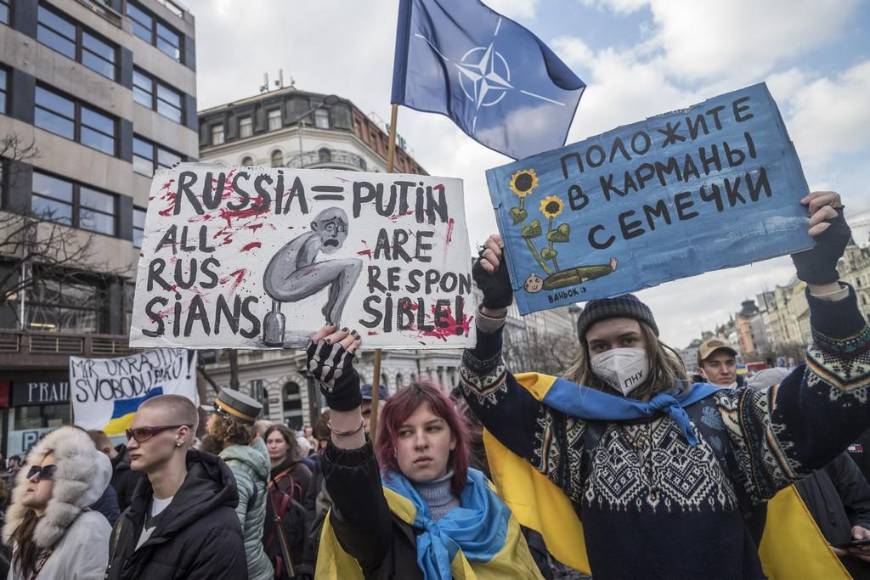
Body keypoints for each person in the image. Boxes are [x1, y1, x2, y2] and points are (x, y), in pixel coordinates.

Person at [462, 191, 870, 578]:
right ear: (586, 355)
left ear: (652, 344)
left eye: (627, 340)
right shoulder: (572, 433)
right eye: (600, 346)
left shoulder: (728, 416)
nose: (615, 354)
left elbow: (842, 393)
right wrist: (492, 311)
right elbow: (485, 388)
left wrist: (824, 284)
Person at [309, 325, 544, 579]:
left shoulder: (497, 504)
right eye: (405, 432)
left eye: (432, 428)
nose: (420, 442)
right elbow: (354, 497)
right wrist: (343, 401)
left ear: (453, 439)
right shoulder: (381, 516)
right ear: (392, 446)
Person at [106, 394, 246, 580]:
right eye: (130, 434)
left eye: (143, 433)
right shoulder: (128, 519)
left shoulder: (218, 527)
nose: (130, 444)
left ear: (181, 435)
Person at [749, 366, 870, 578]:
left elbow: (862, 502)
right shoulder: (746, 470)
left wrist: (862, 530)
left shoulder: (827, 448)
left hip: (846, 569)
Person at [2, 426, 111, 579]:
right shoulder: (26, 529)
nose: (33, 478)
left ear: (70, 481)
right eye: (34, 469)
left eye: (47, 472)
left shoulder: (90, 526)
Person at [206, 389, 273, 580]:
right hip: (255, 564)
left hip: (244, 570)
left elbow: (230, 537)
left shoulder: (236, 469)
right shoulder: (252, 455)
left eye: (213, 415)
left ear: (224, 424)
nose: (208, 420)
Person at [263, 424, 313, 578]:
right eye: (269, 441)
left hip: (295, 546)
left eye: (278, 441)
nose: (273, 446)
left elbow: (310, 513)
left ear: (288, 444)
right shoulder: (262, 472)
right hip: (269, 545)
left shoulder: (302, 472)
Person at [87, 430, 145, 514]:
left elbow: (134, 512)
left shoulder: (134, 472)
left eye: (91, 458)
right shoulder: (99, 474)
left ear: (106, 451)